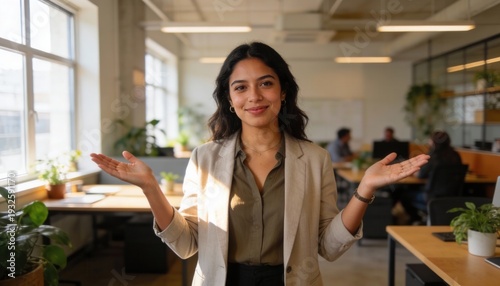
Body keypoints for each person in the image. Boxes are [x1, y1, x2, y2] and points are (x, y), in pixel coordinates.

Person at [90, 42, 429, 286]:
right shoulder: (205, 158)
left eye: (266, 83)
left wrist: (364, 189)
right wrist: (151, 188)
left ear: (282, 92)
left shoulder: (314, 159)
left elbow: (328, 245)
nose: (254, 96)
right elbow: (186, 243)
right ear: (230, 99)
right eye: (241, 87)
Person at [395, 131, 461, 224]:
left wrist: (414, 170)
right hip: (451, 196)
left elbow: (421, 175)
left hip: (431, 197)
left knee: (404, 195)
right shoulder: (455, 155)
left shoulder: (433, 157)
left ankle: (415, 219)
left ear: (433, 142)